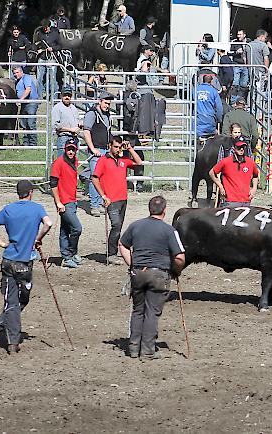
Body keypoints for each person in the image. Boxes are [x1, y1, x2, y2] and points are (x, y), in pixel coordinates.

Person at [0, 180, 52, 354]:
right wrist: (38, 238)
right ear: (31, 192)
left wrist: (3, 244)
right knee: (19, 301)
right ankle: (3, 336)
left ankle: (5, 337)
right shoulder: (37, 208)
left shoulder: (9, 209)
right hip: (24, 263)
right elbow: (48, 223)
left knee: (12, 301)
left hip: (8, 260)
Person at [118, 195, 185, 360]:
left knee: (138, 310)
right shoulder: (169, 230)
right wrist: (176, 271)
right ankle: (148, 350)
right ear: (164, 211)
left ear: (150, 209)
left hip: (138, 273)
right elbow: (180, 257)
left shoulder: (135, 226)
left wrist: (132, 264)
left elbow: (122, 244)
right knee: (152, 312)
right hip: (159, 274)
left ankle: (133, 348)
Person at [91, 136, 143, 265]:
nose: (118, 149)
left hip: (123, 199)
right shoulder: (103, 160)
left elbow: (139, 162)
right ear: (109, 145)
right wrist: (103, 196)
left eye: (119, 147)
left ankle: (112, 252)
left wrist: (130, 148)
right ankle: (112, 253)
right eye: (115, 147)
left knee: (118, 227)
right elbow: (94, 178)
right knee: (116, 225)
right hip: (111, 200)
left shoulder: (123, 160)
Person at [50, 138, 82, 268]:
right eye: (69, 149)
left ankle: (67, 256)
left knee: (65, 229)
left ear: (76, 150)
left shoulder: (74, 161)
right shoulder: (59, 163)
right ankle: (70, 253)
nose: (70, 152)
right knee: (77, 228)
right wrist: (58, 202)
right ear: (65, 149)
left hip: (72, 201)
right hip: (64, 202)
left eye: (72, 149)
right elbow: (53, 183)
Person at [83, 92, 114, 216]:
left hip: (105, 150)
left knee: (102, 178)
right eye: (106, 103)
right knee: (94, 177)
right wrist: (92, 148)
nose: (107, 105)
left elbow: (108, 132)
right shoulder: (92, 114)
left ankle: (100, 202)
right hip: (96, 150)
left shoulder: (107, 115)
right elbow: (86, 132)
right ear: (99, 101)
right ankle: (94, 205)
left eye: (109, 103)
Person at [209, 139, 259, 206]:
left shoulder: (250, 162)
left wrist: (254, 188)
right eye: (239, 147)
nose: (241, 149)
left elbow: (255, 175)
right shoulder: (226, 162)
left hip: (246, 201)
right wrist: (220, 186)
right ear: (234, 148)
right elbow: (212, 173)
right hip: (230, 201)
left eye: (243, 147)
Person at [12, 66, 39, 147]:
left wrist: (21, 99)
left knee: (30, 122)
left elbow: (28, 89)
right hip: (24, 103)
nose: (15, 74)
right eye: (14, 73)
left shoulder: (26, 78)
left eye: (17, 72)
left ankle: (33, 143)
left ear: (21, 72)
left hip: (31, 102)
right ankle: (26, 142)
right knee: (23, 123)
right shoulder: (17, 81)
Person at [33, 19, 61, 97]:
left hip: (51, 59)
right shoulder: (40, 34)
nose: (45, 29)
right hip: (42, 58)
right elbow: (36, 44)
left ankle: (53, 97)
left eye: (46, 28)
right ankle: (39, 97)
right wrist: (38, 49)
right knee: (39, 79)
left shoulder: (55, 34)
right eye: (43, 28)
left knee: (52, 79)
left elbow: (60, 46)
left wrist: (53, 48)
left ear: (49, 26)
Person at [52, 85, 80, 156]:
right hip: (63, 138)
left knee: (74, 163)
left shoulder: (74, 108)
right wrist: (71, 130)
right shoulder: (57, 108)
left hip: (74, 138)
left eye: (69, 95)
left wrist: (79, 125)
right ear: (61, 96)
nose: (67, 97)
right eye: (65, 95)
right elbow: (56, 126)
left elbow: (77, 121)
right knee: (62, 162)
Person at [230, 29, 250, 103]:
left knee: (244, 84)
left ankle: (241, 101)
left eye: (240, 34)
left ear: (244, 35)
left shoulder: (249, 42)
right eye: (238, 34)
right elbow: (230, 52)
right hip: (237, 64)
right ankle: (233, 102)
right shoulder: (235, 42)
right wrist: (236, 52)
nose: (238, 36)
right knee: (235, 84)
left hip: (246, 66)